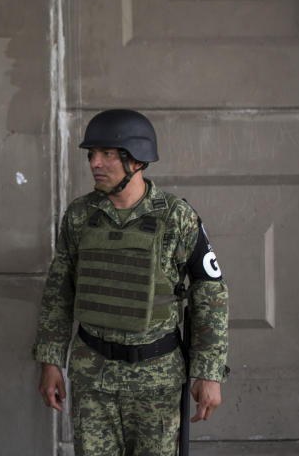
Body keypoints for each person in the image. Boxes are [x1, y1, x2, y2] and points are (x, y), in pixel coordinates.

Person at [33, 109, 228, 455]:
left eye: (107, 154)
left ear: (136, 160)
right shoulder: (79, 216)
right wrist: (51, 361)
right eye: (91, 154)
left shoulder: (176, 216)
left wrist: (208, 372)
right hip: (92, 376)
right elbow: (59, 291)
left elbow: (210, 294)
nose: (95, 162)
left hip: (157, 380)